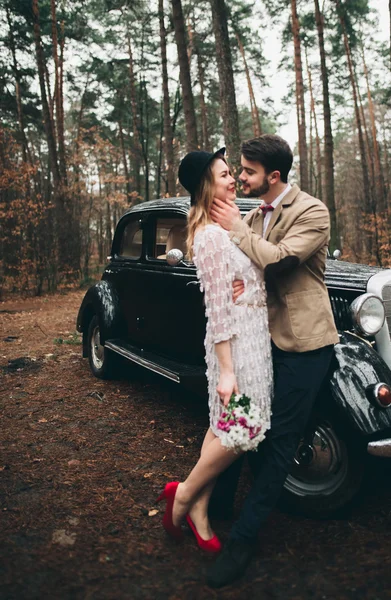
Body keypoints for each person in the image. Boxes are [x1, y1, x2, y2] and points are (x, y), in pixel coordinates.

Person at [205, 134, 339, 587]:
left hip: (304, 344)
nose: (240, 178)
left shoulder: (312, 212)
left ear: (274, 176)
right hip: (259, 343)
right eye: (238, 171)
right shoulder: (252, 214)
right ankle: (220, 503)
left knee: (280, 439)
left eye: (247, 171)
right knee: (247, 423)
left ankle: (243, 538)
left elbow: (279, 260)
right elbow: (244, 265)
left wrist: (239, 233)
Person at [156, 148, 273, 553]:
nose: (232, 180)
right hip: (234, 344)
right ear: (207, 185)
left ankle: (198, 509)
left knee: (222, 425)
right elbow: (217, 310)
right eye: (224, 174)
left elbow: (253, 277)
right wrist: (226, 371)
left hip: (254, 338)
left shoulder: (228, 229)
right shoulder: (207, 236)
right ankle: (184, 495)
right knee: (245, 430)